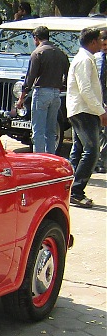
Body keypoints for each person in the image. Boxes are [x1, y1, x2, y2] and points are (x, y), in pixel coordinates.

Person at [67, 27, 107, 208]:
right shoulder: (84, 60)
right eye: (99, 40)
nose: (102, 43)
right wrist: (100, 111)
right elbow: (85, 90)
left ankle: (68, 189)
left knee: (78, 151)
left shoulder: (86, 58)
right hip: (84, 111)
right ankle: (76, 191)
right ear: (92, 42)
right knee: (92, 151)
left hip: (83, 109)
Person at [14, 25, 69, 154]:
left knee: (38, 131)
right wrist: (61, 87)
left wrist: (21, 98)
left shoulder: (38, 53)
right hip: (56, 94)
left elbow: (29, 79)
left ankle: (39, 159)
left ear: (36, 38)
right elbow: (68, 75)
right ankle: (51, 158)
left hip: (41, 93)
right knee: (51, 131)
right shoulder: (61, 54)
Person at [96, 28, 107, 173]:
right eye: (103, 46)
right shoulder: (96, 59)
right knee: (97, 132)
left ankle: (102, 162)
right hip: (96, 100)